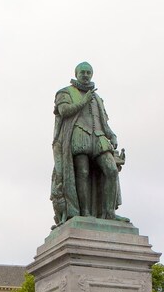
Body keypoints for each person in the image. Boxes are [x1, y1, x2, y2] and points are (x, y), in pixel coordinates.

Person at [50, 62, 128, 226]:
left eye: (88, 72)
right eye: (82, 72)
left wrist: (111, 135)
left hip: (99, 137)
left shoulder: (97, 97)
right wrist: (84, 101)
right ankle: (84, 213)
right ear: (76, 73)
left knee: (111, 170)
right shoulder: (65, 92)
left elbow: (103, 121)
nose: (85, 75)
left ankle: (109, 213)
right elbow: (64, 111)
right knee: (83, 173)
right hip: (78, 134)